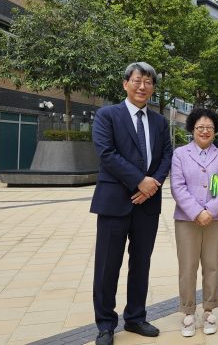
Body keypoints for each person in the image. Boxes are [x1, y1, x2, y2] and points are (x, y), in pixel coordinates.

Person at [90, 62, 172, 345]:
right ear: (125, 83)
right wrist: (140, 181)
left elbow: (166, 157)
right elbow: (107, 153)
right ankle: (105, 324)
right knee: (107, 266)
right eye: (137, 80)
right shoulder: (107, 115)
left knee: (141, 264)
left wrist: (152, 185)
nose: (142, 86)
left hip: (147, 204)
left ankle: (136, 317)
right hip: (114, 201)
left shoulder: (160, 122)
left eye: (148, 82)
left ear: (153, 88)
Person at [170, 107, 218, 337]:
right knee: (187, 267)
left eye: (209, 127)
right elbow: (177, 186)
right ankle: (188, 312)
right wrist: (197, 211)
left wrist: (210, 211)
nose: (204, 131)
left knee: (211, 265)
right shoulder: (180, 154)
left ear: (215, 130)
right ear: (192, 129)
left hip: (215, 220)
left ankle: (208, 310)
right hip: (187, 219)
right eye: (200, 127)